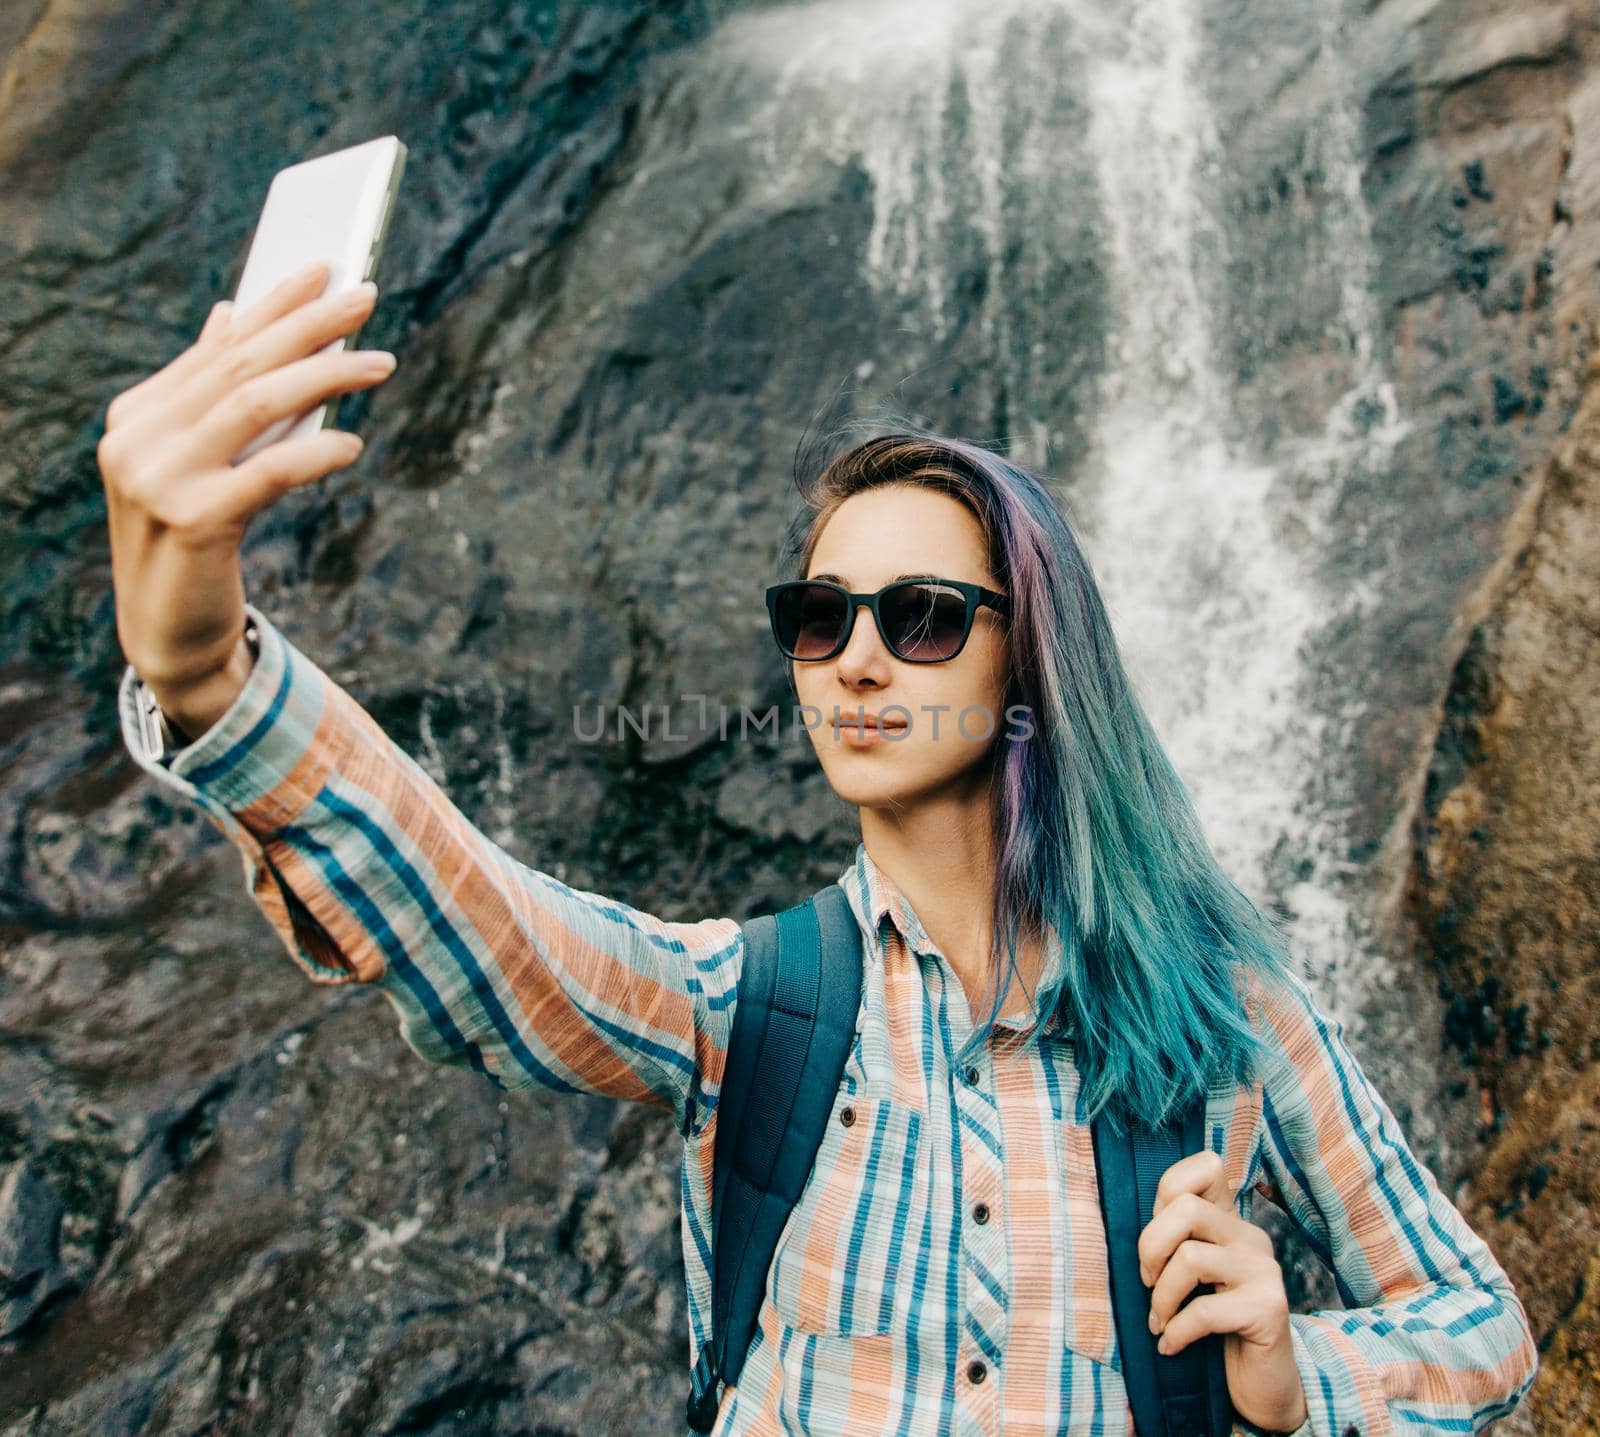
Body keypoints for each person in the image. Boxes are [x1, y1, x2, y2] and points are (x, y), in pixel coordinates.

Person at [100, 260, 1538, 1436]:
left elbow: (1482, 1331)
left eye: (919, 615)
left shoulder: (1224, 1011)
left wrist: (1302, 1378)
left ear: (1029, 658)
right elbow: (496, 933)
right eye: (817, 614)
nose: (856, 656)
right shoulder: (758, 1003)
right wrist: (207, 674)